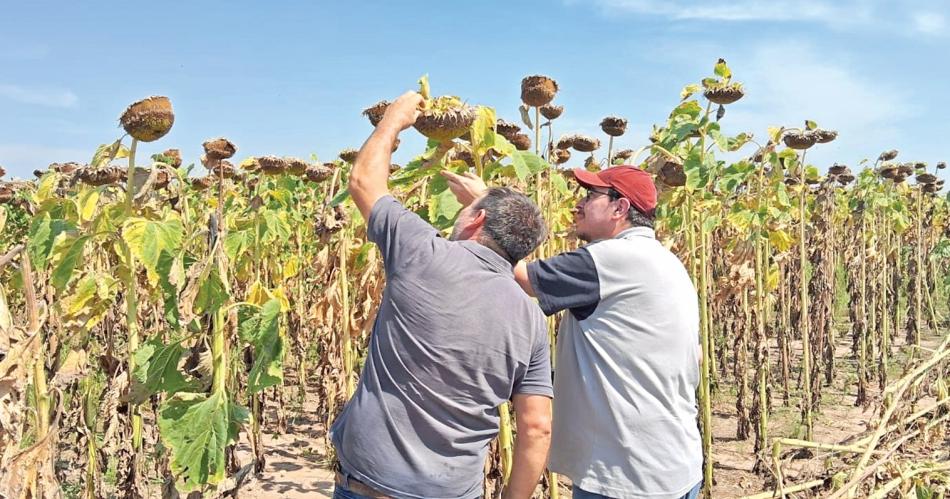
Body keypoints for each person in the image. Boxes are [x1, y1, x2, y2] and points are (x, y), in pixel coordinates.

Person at [330, 91, 554, 499]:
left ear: (478, 219)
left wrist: (394, 120)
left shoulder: (423, 253)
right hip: (453, 490)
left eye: (464, 210)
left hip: (371, 484)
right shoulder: (532, 320)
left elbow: (363, 181)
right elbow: (537, 427)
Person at [442, 165, 703, 499]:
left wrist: (486, 207)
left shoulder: (610, 258)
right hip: (677, 462)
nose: (578, 204)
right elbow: (694, 355)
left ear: (620, 207)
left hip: (627, 473)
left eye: (590, 195)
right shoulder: (668, 263)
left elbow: (522, 276)